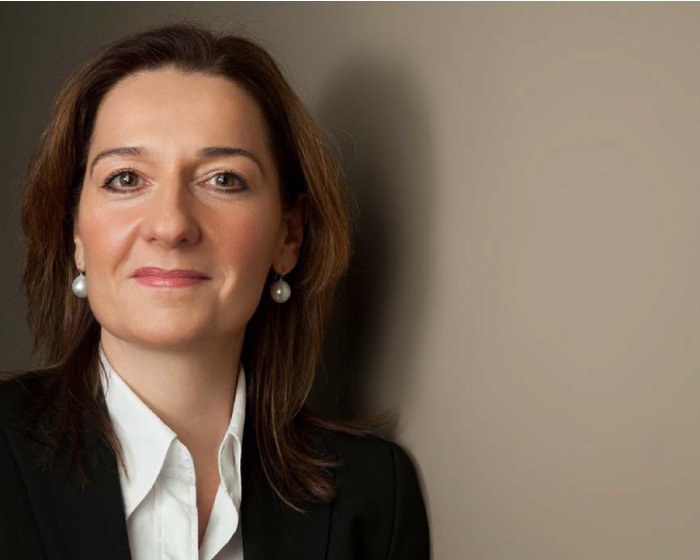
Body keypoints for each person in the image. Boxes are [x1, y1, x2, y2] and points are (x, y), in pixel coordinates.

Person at [0, 21, 430, 560]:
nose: (171, 225)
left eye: (223, 179)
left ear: (288, 236)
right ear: (77, 234)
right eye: (126, 179)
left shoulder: (376, 494)